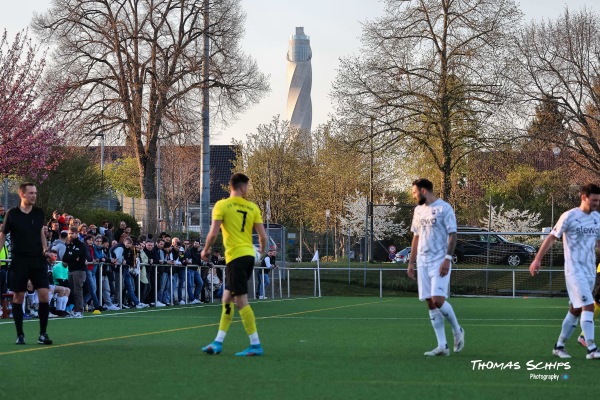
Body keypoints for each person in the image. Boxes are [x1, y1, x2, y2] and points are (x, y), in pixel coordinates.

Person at [530, 183, 600, 359]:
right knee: (588, 305)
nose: (597, 204)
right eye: (594, 200)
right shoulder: (569, 216)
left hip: (590, 270)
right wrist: (537, 259)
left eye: (598, 201)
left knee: (575, 310)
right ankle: (591, 348)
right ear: (584, 197)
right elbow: (552, 238)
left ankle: (559, 346)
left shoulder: (597, 218)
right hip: (574, 270)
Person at [201, 173, 267, 356]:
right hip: (247, 256)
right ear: (242, 187)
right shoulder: (252, 207)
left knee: (240, 301)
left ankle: (255, 344)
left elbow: (213, 233)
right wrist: (261, 252)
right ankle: (218, 342)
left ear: (231, 186)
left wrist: (205, 249)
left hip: (236, 257)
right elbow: (263, 237)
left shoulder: (222, 205)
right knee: (227, 299)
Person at [407, 178, 464, 357]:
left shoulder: (444, 208)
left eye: (415, 192)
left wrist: (447, 259)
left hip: (439, 261)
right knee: (430, 303)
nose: (414, 196)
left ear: (424, 190)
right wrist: (411, 262)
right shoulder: (418, 210)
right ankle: (442, 346)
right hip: (423, 262)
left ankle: (457, 330)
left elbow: (453, 235)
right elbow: (416, 237)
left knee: (438, 299)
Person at [0, 183, 53, 344]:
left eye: (35, 193)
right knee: (18, 296)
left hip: (37, 259)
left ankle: (43, 334)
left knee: (44, 294)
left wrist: (45, 249)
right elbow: (3, 235)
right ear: (22, 194)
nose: (34, 196)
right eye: (31, 193)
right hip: (19, 260)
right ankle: (20, 334)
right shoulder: (12, 214)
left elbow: (40, 233)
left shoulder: (38, 213)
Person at [63, 226, 89, 318]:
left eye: (72, 233)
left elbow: (76, 256)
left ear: (76, 234)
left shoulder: (81, 245)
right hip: (71, 269)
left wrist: (72, 257)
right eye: (69, 233)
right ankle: (74, 309)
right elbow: (65, 259)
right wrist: (73, 258)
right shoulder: (69, 245)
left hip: (79, 270)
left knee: (78, 291)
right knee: (72, 291)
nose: (70, 235)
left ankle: (79, 311)